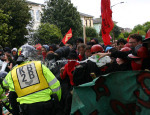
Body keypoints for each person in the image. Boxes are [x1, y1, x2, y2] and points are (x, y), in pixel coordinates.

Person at [2, 44, 61, 115]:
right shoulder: (39, 65)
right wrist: (57, 101)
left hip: (26, 108)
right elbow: (55, 85)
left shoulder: (13, 72)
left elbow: (7, 87)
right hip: (45, 105)